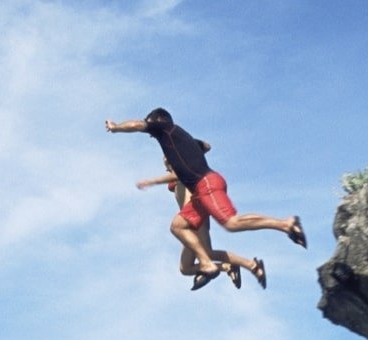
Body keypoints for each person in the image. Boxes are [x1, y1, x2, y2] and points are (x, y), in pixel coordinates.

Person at [106, 107, 305, 290]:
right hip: (200, 194)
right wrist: (193, 146)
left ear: (158, 120)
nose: (150, 134)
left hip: (206, 183)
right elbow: (207, 145)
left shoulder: (165, 128)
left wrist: (116, 128)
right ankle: (210, 265)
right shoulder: (177, 138)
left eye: (150, 127)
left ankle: (286, 224)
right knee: (177, 226)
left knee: (231, 223)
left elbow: (135, 125)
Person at [136, 154, 267, 290]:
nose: (165, 161)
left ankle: (250, 264)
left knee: (207, 254)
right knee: (186, 268)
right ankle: (228, 266)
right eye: (164, 160)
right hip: (188, 220)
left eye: (168, 159)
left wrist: (152, 181)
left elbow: (188, 187)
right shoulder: (177, 176)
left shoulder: (184, 172)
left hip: (195, 217)